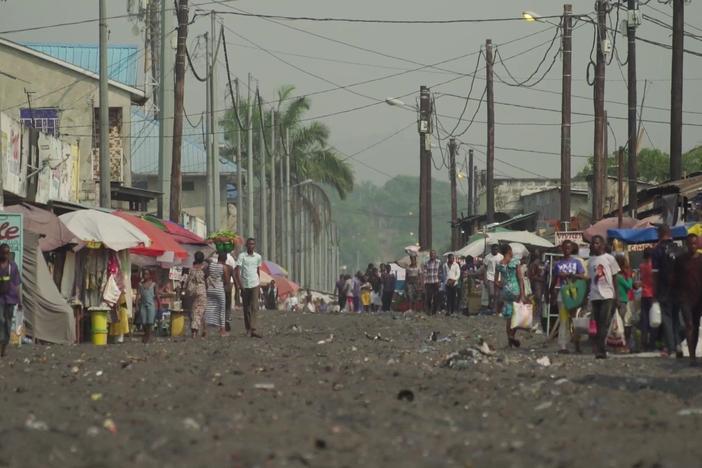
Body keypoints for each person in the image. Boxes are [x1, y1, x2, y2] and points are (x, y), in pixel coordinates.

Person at [652, 224, 684, 358]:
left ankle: (670, 347)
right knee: (677, 318)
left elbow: (655, 274)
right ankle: (678, 345)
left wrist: (655, 292)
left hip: (664, 290)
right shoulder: (680, 249)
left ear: (659, 234)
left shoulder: (658, 250)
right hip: (679, 290)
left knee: (667, 318)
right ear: (670, 233)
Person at [587, 235, 621, 359]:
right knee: (597, 324)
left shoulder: (609, 259)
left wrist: (616, 297)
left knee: (604, 322)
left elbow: (615, 277)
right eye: (592, 243)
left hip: (607, 295)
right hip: (595, 296)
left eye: (596, 243)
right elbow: (590, 280)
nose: (593, 245)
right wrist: (586, 297)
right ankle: (599, 348)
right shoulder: (590, 261)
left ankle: (601, 349)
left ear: (602, 244)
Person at [550, 240, 586, 354]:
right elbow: (554, 280)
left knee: (575, 320)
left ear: (571, 249)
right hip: (563, 294)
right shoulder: (558, 264)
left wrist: (572, 275)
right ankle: (563, 346)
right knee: (564, 320)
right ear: (562, 249)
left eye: (569, 248)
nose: (567, 250)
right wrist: (550, 293)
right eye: (565, 248)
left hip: (575, 294)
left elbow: (582, 276)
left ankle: (577, 344)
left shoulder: (577, 262)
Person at [495, 244, 526, 348]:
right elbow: (520, 278)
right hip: (515, 290)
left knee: (509, 316)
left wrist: (502, 285)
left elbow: (496, 281)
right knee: (516, 315)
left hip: (506, 291)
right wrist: (522, 294)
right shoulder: (515, 262)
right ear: (509, 251)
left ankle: (509, 340)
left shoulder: (499, 264)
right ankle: (512, 336)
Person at [235, 238, 263, 338]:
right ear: (246, 245)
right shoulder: (242, 256)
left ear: (254, 246)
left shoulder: (258, 257)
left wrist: (259, 284)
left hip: (255, 283)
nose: (251, 246)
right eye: (249, 244)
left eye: (253, 244)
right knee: (246, 308)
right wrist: (240, 285)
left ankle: (253, 328)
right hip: (245, 285)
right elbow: (237, 270)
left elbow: (258, 271)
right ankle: (248, 329)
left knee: (255, 307)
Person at [681, 236, 702, 365]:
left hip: (699, 298)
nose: (692, 246)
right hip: (685, 298)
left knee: (696, 325)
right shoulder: (681, 260)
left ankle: (693, 351)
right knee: (689, 325)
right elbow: (675, 278)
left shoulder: (701, 260)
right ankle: (692, 356)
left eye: (694, 243)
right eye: (690, 244)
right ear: (686, 244)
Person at [0, 244, 21, 358]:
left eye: (7, 253)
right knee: (1, 320)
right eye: (3, 252)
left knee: (8, 323)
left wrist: (20, 301)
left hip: (11, 298)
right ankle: (1, 340)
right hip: (0, 298)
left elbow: (17, 285)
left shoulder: (13, 266)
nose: (5, 255)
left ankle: (3, 347)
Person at [204, 253, 229, 337]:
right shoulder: (224, 267)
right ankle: (222, 331)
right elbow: (226, 280)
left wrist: (213, 251)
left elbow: (205, 258)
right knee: (221, 310)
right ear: (225, 260)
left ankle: (205, 330)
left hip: (210, 289)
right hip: (219, 289)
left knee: (208, 309)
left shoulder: (211, 264)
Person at [185, 251, 208, 338]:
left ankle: (202, 330)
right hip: (201, 291)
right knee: (199, 312)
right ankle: (195, 331)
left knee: (194, 311)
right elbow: (206, 281)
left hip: (191, 292)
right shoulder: (204, 268)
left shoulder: (191, 269)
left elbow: (187, 281)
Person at [615, 255, 634, 353]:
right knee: (621, 324)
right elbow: (629, 286)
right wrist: (630, 277)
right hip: (622, 301)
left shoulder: (615, 276)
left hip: (620, 300)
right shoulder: (619, 277)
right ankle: (621, 345)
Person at [638, 248, 656, 352]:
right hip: (653, 295)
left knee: (644, 321)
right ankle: (652, 343)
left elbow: (641, 279)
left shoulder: (642, 266)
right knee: (654, 320)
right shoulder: (653, 266)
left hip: (644, 294)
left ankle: (643, 344)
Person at [136, 269, 160, 343]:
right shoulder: (140, 284)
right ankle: (146, 334)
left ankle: (148, 337)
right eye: (144, 274)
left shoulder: (153, 284)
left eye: (146, 274)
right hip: (143, 305)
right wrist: (136, 304)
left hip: (151, 305)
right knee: (143, 322)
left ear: (149, 275)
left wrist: (159, 305)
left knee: (150, 322)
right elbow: (138, 295)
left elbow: (156, 295)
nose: (145, 275)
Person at [484, 244, 504, 314]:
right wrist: (485, 279)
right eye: (494, 249)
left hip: (498, 277)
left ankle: (494, 309)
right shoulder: (487, 257)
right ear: (491, 249)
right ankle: (490, 304)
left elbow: (503, 268)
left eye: (496, 249)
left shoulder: (501, 257)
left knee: (497, 295)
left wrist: (502, 279)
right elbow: (485, 269)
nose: (495, 250)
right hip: (490, 277)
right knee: (491, 293)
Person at [423, 250, 441, 315]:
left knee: (436, 297)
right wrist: (424, 282)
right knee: (429, 297)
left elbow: (440, 272)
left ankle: (434, 311)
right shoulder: (426, 263)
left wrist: (439, 281)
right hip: (429, 282)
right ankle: (429, 310)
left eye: (433, 254)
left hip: (436, 282)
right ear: (430, 255)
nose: (432, 255)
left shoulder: (439, 262)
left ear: (435, 255)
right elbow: (425, 273)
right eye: (431, 254)